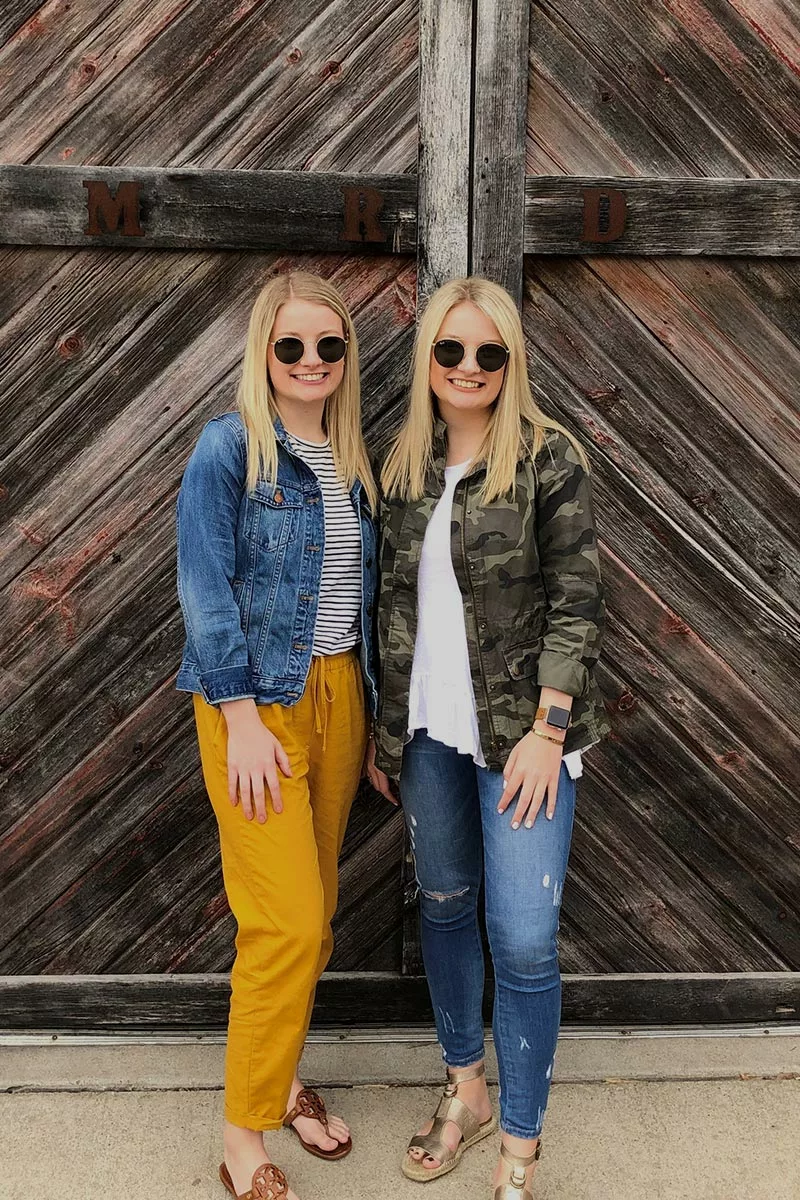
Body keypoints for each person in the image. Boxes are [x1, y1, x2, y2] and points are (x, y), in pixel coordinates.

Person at [366, 276, 609, 1200]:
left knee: (524, 936)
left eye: (488, 353)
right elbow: (391, 606)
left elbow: (578, 600)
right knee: (444, 906)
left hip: (523, 740)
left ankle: (521, 1144)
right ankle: (464, 1087)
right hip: (427, 735)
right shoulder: (403, 466)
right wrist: (389, 737)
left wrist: (550, 729)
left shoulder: (548, 459)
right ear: (428, 357)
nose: (468, 368)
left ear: (512, 362)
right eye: (451, 350)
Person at [176, 270, 379, 1200]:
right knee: (284, 922)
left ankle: (282, 1071)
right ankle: (241, 1134)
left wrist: (369, 718)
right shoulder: (231, 449)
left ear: (344, 356)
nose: (309, 361)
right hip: (254, 705)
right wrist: (242, 714)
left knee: (318, 916)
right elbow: (205, 588)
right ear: (264, 351)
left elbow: (359, 605)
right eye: (290, 345)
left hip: (341, 698)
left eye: (327, 346)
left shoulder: (354, 458)